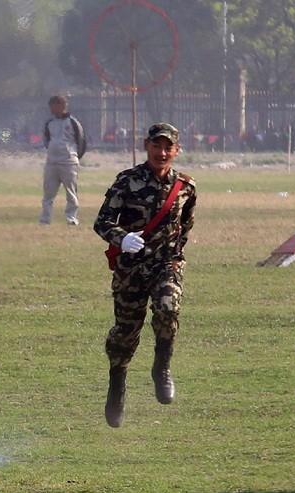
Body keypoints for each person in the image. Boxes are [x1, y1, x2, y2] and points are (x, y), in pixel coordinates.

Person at [93, 123, 197, 428]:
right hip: (131, 270)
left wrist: (173, 258)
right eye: (156, 146)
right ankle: (117, 384)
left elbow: (185, 228)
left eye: (168, 147)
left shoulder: (186, 187)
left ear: (177, 150)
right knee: (125, 334)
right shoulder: (126, 182)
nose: (162, 153)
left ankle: (162, 367)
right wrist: (121, 238)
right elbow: (102, 222)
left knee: (168, 308)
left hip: (166, 264)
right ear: (146, 146)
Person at [40, 94, 86, 226]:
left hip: (69, 163)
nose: (51, 110)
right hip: (52, 163)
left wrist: (73, 156)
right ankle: (45, 220)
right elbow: (47, 140)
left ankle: (72, 218)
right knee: (48, 193)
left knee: (71, 192)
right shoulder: (50, 123)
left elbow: (81, 142)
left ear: (61, 106)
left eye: (53, 107)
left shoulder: (73, 123)